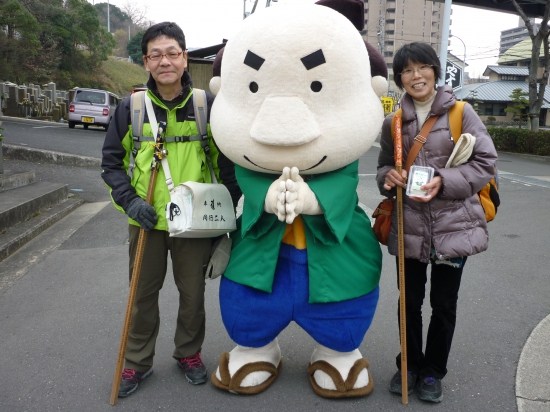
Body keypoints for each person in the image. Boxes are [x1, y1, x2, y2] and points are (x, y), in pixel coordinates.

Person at [101, 21, 240, 398]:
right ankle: (136, 362)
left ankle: (188, 353)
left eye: (172, 53)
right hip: (145, 220)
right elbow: (111, 164)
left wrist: (226, 220)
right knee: (142, 295)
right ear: (146, 62)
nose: (165, 61)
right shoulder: (131, 108)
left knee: (192, 294)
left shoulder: (206, 107)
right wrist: (130, 201)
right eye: (156, 55)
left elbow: (227, 167)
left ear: (184, 58)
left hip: (193, 224)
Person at [376, 42, 497, 403]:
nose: (416, 76)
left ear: (434, 70)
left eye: (422, 67)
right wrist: (388, 177)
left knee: (444, 304)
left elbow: (485, 162)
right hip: (409, 225)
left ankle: (433, 372)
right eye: (407, 71)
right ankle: (409, 366)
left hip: (453, 227)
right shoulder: (393, 122)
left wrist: (444, 180)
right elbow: (383, 165)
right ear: (400, 79)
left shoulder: (462, 112)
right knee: (408, 302)